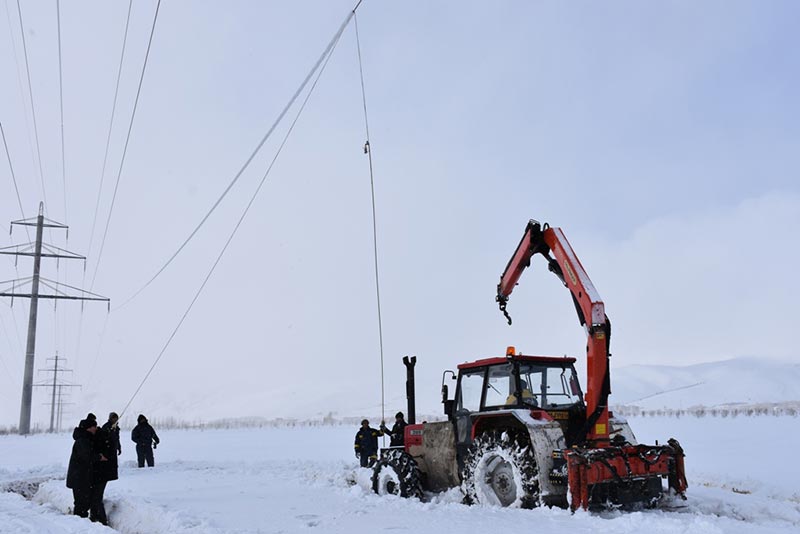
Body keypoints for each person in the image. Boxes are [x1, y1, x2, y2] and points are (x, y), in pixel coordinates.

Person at [66, 419, 106, 519]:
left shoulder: (85, 438)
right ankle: (79, 525)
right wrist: (100, 457)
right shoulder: (83, 440)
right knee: (81, 504)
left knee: (83, 503)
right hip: (79, 477)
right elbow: (87, 455)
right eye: (94, 426)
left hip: (82, 477)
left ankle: (81, 522)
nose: (96, 429)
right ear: (89, 428)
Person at [90, 412, 121, 525]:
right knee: (96, 496)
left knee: (96, 496)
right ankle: (96, 518)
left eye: (116, 418)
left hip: (103, 471)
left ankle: (101, 520)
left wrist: (118, 447)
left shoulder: (114, 430)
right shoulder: (106, 429)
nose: (115, 420)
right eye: (114, 418)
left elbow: (115, 441)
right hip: (100, 471)